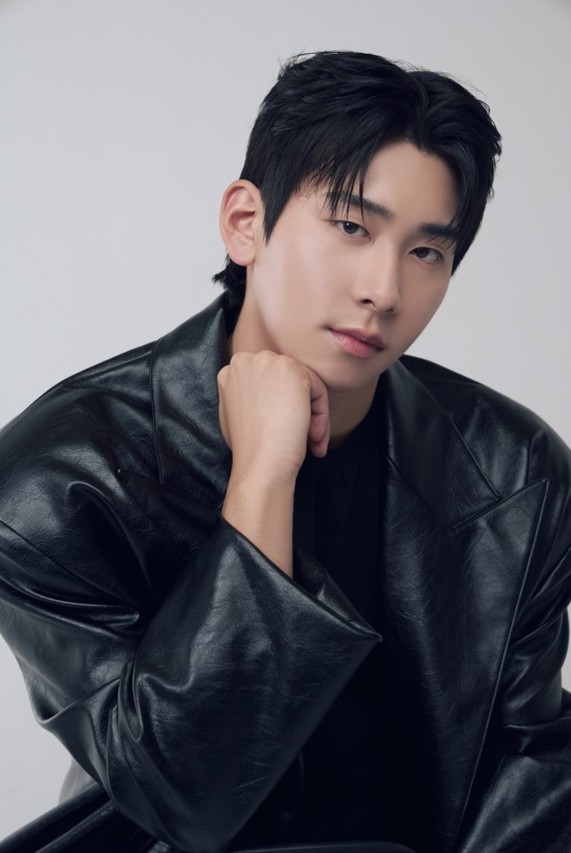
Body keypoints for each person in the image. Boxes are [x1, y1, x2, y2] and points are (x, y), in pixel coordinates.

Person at [0, 50, 570, 853]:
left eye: (426, 252)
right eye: (350, 227)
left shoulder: (516, 469)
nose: (383, 290)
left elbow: (530, 769)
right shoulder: (56, 482)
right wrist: (263, 475)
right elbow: (187, 794)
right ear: (246, 222)